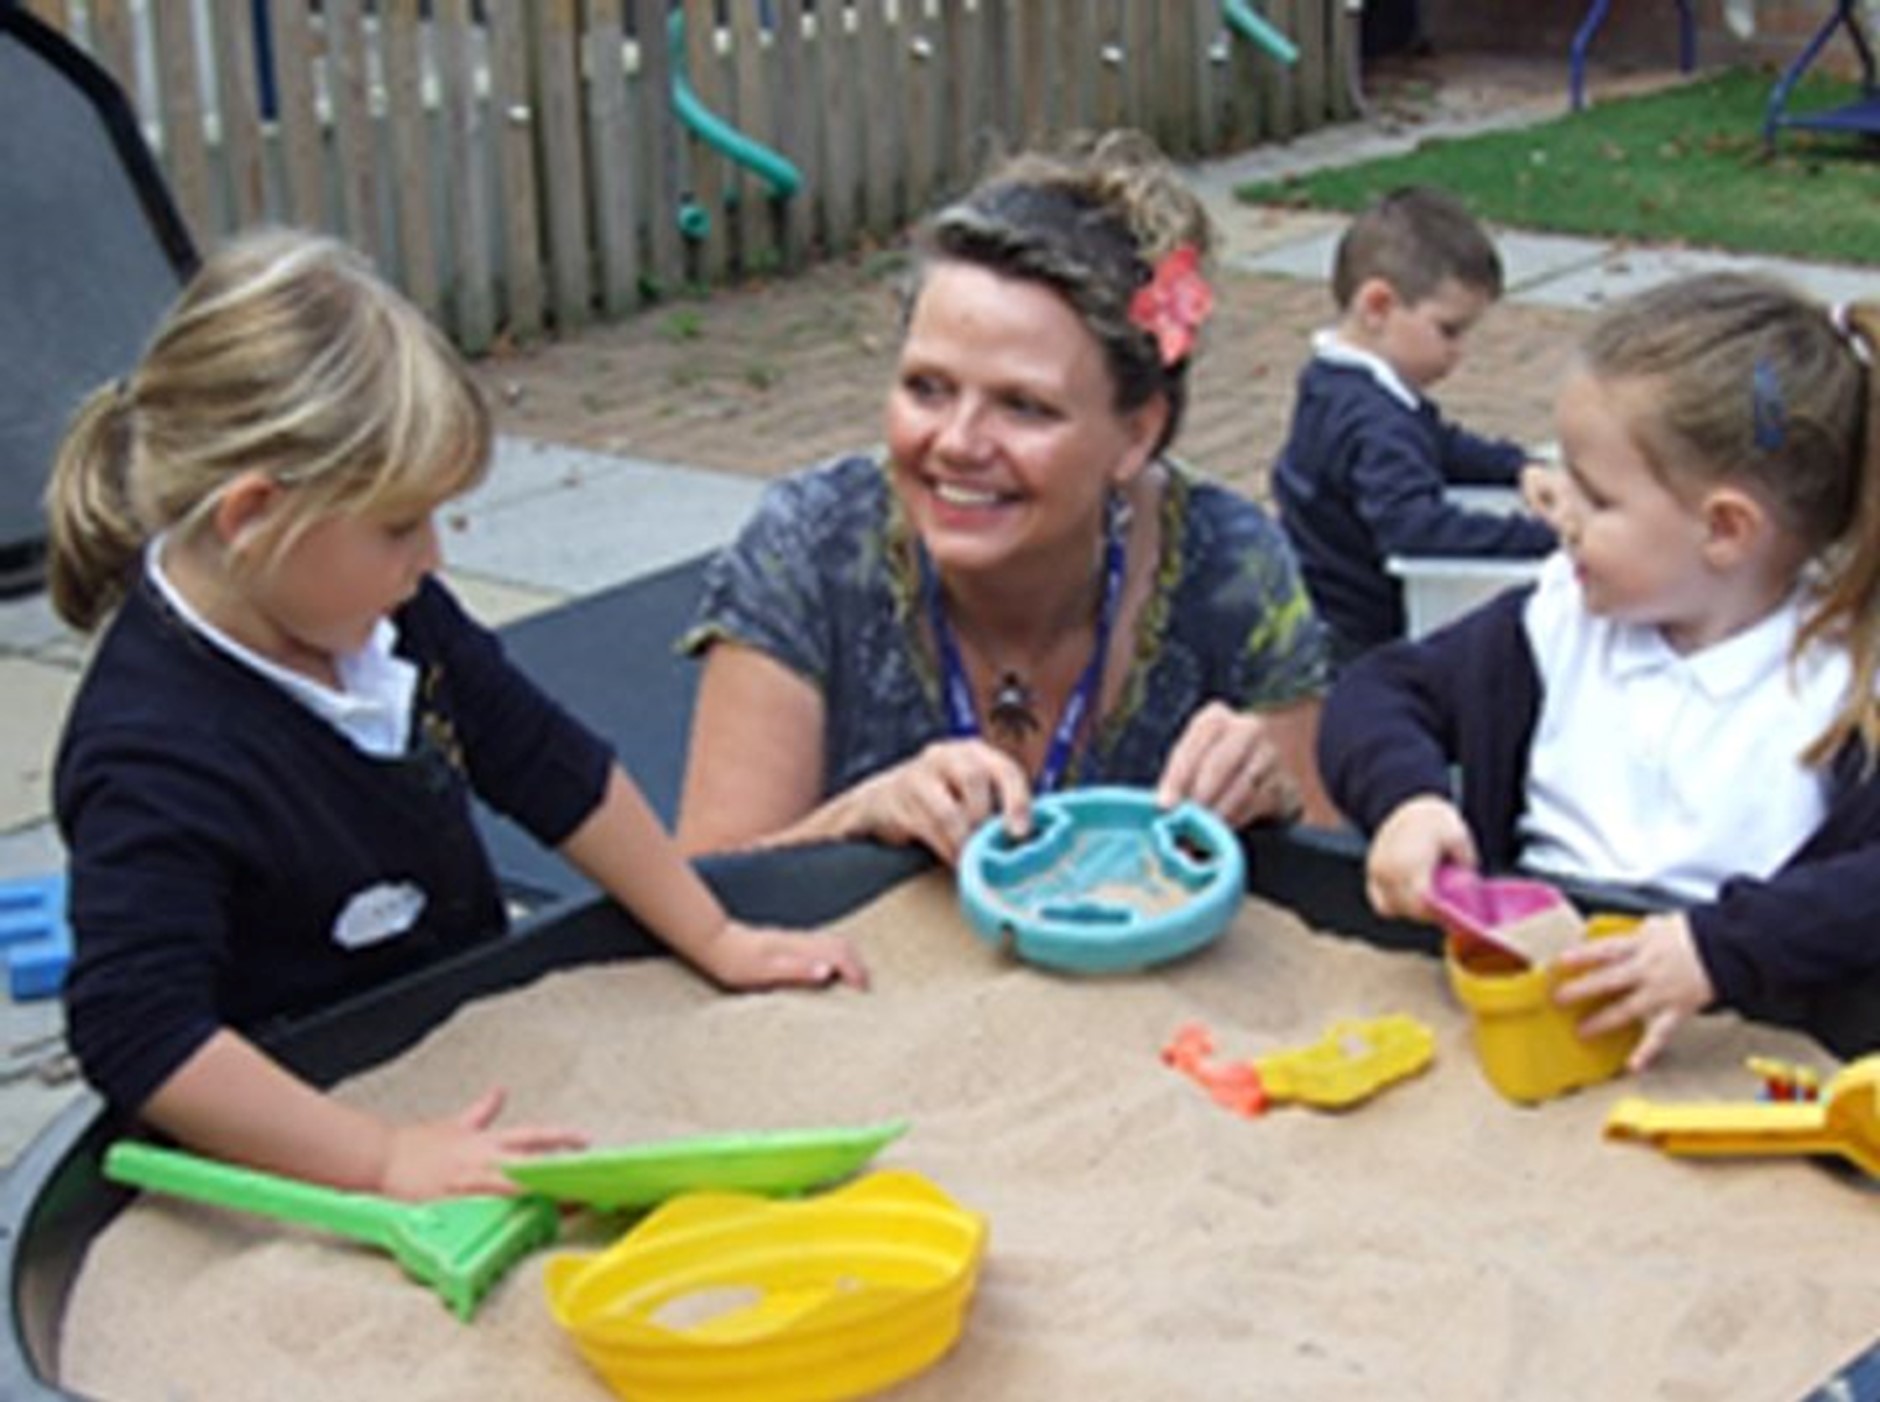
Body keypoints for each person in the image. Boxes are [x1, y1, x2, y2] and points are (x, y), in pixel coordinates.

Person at [46, 229, 865, 1201]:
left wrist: (714, 935)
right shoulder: (153, 750)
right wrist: (381, 1158)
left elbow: (547, 761)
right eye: (399, 526)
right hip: (294, 1115)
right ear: (251, 516)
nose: (430, 556)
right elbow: (139, 1033)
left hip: (455, 1013)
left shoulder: (380, 616)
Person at [676, 130, 1334, 865]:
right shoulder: (807, 550)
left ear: (1136, 435)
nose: (958, 441)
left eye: (1023, 406)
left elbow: (1319, 910)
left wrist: (1275, 805)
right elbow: (706, 899)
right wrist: (857, 819)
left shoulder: (1235, 572)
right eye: (927, 388)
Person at [1319, 271, 1880, 1069]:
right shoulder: (1563, 620)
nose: (1559, 509)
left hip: (1746, 1040)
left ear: (1725, 529)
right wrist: (1406, 801)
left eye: (1597, 495)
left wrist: (1721, 950)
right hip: (1531, 1014)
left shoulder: (1839, 677)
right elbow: (1381, 690)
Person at [1272, 185, 1559, 668]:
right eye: (1449, 330)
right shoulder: (1374, 419)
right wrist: (1547, 539)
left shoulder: (1336, 381)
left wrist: (1518, 468)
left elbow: (1438, 446)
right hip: (1353, 646)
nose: (1459, 351)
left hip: (1319, 612)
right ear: (1378, 307)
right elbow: (1416, 529)